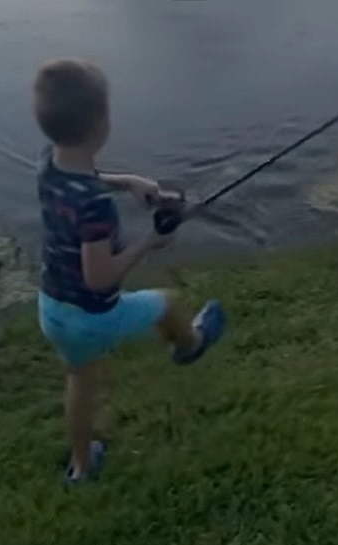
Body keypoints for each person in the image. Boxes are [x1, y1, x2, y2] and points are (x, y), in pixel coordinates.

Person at [33, 59, 226, 484]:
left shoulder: (48, 164)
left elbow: (83, 179)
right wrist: (148, 244)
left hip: (52, 308)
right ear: (102, 125)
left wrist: (127, 182)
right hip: (91, 314)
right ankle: (189, 345)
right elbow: (99, 277)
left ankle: (81, 468)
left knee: (80, 382)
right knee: (166, 304)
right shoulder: (94, 206)